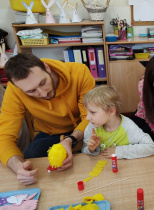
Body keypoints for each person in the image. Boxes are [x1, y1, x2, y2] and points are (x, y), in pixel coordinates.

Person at [0, 52, 95, 185]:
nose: (43, 93)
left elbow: (90, 118)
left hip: (85, 129)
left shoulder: (79, 72)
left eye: (43, 82)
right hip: (50, 133)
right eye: (32, 91)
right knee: (32, 155)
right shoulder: (15, 90)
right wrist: (18, 167)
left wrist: (70, 140)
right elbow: (4, 137)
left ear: (47, 67)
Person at [82, 86, 154, 159]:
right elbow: (84, 151)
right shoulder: (92, 126)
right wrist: (90, 149)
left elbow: (151, 147)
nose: (87, 118)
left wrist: (118, 151)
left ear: (111, 111)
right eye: (87, 112)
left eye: (92, 112)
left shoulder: (128, 126)